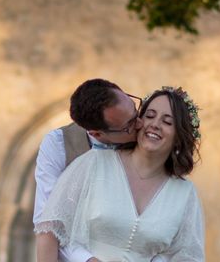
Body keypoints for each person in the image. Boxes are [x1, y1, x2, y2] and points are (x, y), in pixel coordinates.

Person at [35, 87, 204, 262]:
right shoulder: (93, 163)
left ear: (179, 136)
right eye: (150, 116)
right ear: (139, 121)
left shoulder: (185, 193)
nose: (155, 124)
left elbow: (188, 256)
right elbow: (50, 228)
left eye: (167, 122)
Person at [33, 78, 143, 262]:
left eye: (134, 106)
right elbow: (49, 225)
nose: (140, 123)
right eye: (128, 126)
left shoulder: (148, 141)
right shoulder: (59, 144)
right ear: (97, 134)